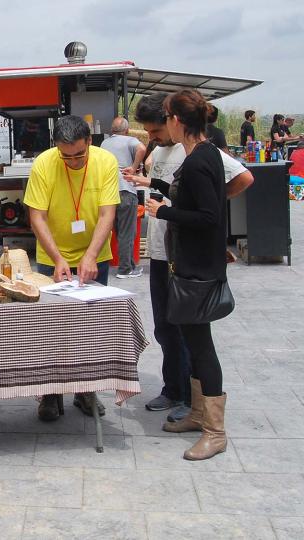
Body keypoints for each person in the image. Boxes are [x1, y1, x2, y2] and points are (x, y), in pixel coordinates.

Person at [125, 93, 252, 422]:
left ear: (175, 120)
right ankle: (189, 404)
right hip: (179, 258)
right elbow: (194, 199)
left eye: (162, 123)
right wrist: (153, 183)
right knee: (179, 334)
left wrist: (168, 211)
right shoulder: (197, 152)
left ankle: (209, 424)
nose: (155, 133)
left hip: (191, 265)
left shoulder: (198, 158)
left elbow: (210, 213)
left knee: (198, 345)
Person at [23, 114, 119, 422]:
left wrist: (89, 257)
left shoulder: (105, 162)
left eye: (79, 155)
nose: (73, 162)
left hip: (95, 255)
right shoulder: (44, 164)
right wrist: (59, 259)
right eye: (66, 157)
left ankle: (86, 391)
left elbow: (107, 215)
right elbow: (37, 216)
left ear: (90, 141)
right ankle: (51, 395)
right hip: (53, 257)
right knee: (52, 329)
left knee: (91, 328)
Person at [101, 117, 146, 279]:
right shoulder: (130, 140)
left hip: (108, 192)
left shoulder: (104, 144)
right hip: (126, 190)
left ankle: (127, 265)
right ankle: (125, 269)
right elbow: (142, 148)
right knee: (128, 231)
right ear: (126, 130)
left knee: (115, 231)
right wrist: (133, 168)